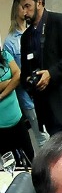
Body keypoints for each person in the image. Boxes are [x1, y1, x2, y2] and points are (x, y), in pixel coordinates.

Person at [19, 0, 62, 136]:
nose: (24, 12)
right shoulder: (26, 37)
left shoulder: (58, 20)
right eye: (22, 8)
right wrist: (29, 81)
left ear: (39, 2)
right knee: (58, 140)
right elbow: (24, 73)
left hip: (61, 97)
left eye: (27, 6)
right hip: (43, 103)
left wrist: (50, 74)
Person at [4, 0, 41, 147]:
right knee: (42, 138)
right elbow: (15, 75)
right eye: (22, 6)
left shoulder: (34, 30)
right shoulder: (10, 41)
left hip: (43, 89)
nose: (26, 10)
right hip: (27, 98)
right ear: (16, 8)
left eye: (28, 5)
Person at [0, 35, 34, 163]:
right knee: (13, 164)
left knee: (31, 157)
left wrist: (2, 95)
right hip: (1, 127)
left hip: (17, 118)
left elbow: (18, 76)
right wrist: (11, 80)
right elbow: (14, 78)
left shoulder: (5, 55)